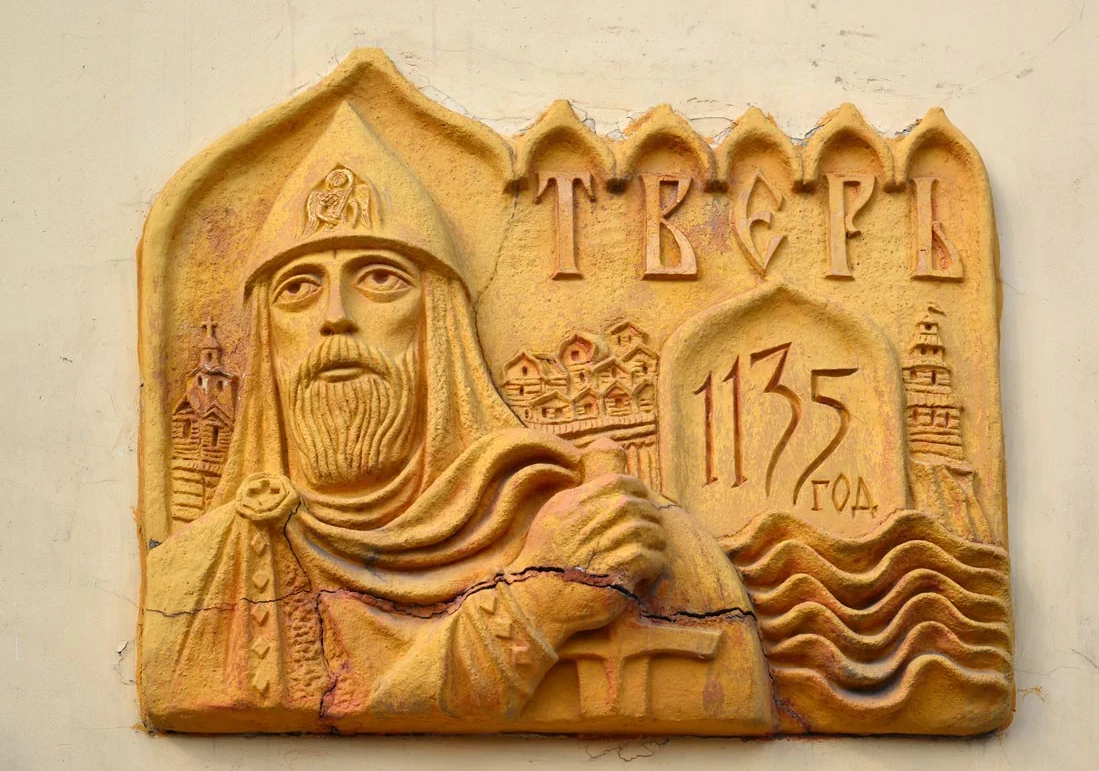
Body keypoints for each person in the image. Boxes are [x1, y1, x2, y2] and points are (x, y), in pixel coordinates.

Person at [140, 103, 773, 734]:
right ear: (265, 336)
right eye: (298, 288)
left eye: (380, 278)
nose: (335, 316)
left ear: (440, 326)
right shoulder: (195, 572)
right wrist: (538, 603)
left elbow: (734, 688)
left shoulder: (603, 524)